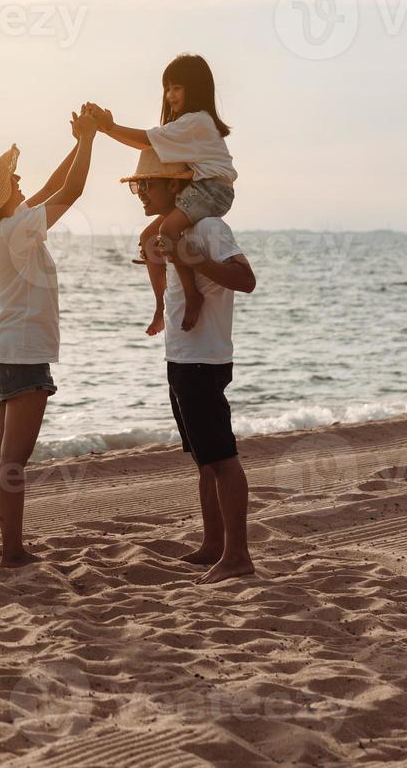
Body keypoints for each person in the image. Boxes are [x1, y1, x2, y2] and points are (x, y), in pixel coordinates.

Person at [0, 110, 98, 567]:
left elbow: (55, 186)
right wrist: (92, 140)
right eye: (10, 177)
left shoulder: (1, 228)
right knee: (14, 459)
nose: (18, 178)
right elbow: (71, 192)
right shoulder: (17, 230)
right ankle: (13, 551)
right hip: (21, 353)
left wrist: (78, 142)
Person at [121, 149, 258, 584]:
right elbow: (157, 259)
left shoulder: (211, 227)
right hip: (181, 357)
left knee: (223, 459)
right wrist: (162, 301)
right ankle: (213, 545)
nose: (141, 193)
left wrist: (197, 260)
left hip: (204, 359)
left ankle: (238, 555)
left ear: (177, 187)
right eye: (138, 185)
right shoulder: (169, 232)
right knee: (204, 461)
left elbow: (246, 280)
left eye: (149, 185)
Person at [84, 54, 237, 336]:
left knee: (167, 231)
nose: (169, 95)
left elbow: (145, 140)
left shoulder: (197, 122)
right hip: (198, 188)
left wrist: (108, 127)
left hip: (214, 189)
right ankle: (160, 307)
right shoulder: (185, 124)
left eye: (177, 88)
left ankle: (193, 296)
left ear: (197, 88)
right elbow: (146, 146)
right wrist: (106, 128)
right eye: (167, 89)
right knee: (148, 239)